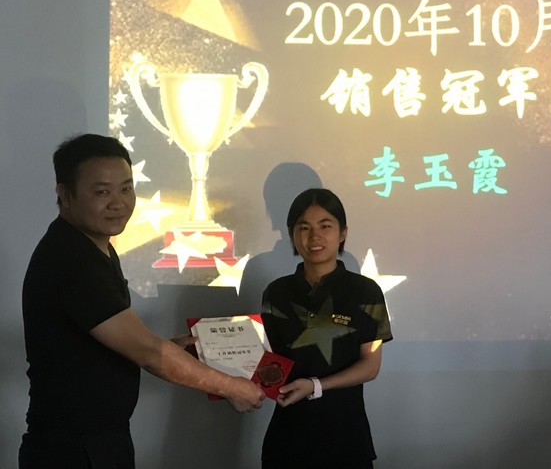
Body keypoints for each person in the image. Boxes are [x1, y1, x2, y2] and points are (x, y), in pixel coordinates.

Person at [19, 133, 265, 469]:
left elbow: (110, 342)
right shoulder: (70, 259)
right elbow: (148, 353)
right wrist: (232, 387)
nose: (118, 203)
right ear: (64, 194)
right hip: (71, 450)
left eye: (126, 188)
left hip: (99, 442)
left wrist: (170, 347)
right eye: (102, 192)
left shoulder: (94, 247)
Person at [260, 188, 393, 469]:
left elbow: (370, 366)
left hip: (346, 440)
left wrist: (316, 386)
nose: (314, 236)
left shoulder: (366, 292)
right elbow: (266, 359)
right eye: (304, 227)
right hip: (286, 441)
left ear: (343, 233)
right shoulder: (276, 293)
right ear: (292, 234)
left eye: (325, 226)